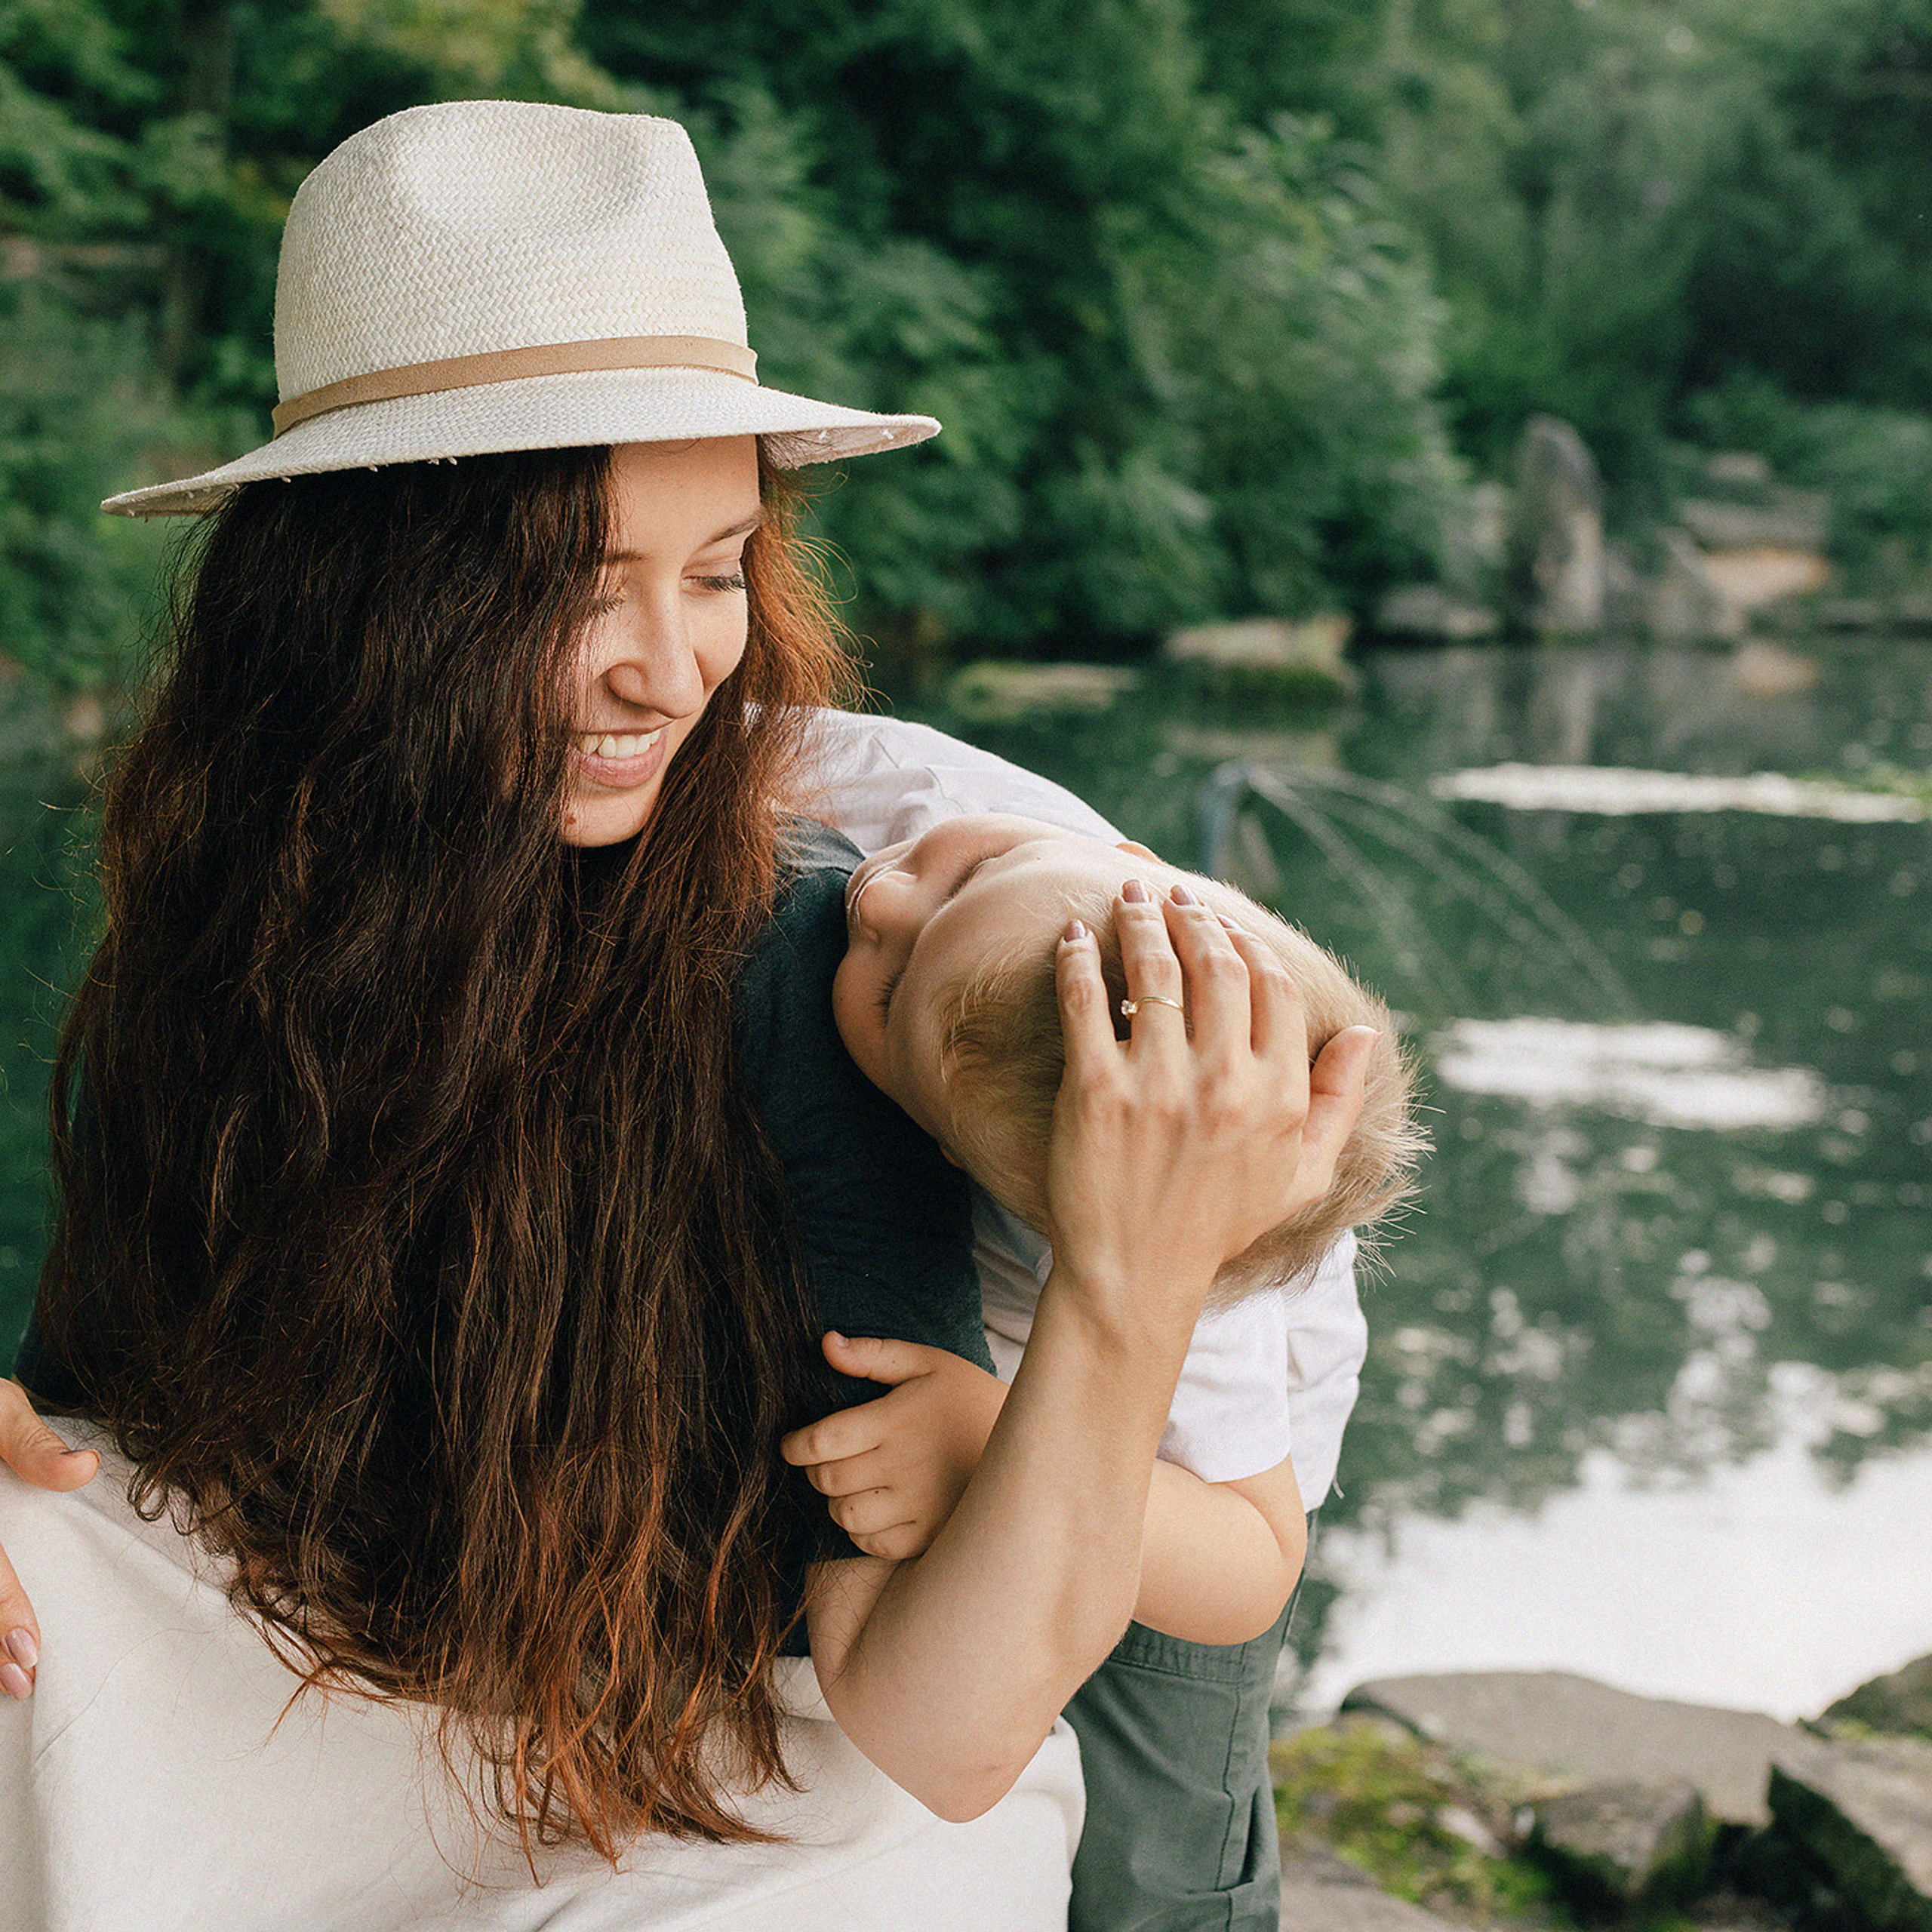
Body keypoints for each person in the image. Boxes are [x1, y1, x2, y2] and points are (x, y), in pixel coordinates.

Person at [0, 100, 1377, 1928]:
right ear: (367, 600)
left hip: (783, 1712)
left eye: (719, 569)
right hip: (382, 1658)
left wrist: (1127, 1281)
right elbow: (96, 1416)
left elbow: (945, 1728)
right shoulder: (237, 905)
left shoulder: (819, 944)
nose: (673, 668)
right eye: (580, 588)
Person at [780, 814, 1422, 1931]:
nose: (879, 898)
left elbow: (1255, 1560)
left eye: (894, 992)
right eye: (979, 865)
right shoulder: (957, 853)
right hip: (1049, 1454)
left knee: (1153, 1864)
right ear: (1131, 859)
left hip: (1189, 1521)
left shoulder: (1201, 1265)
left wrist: (982, 1437)